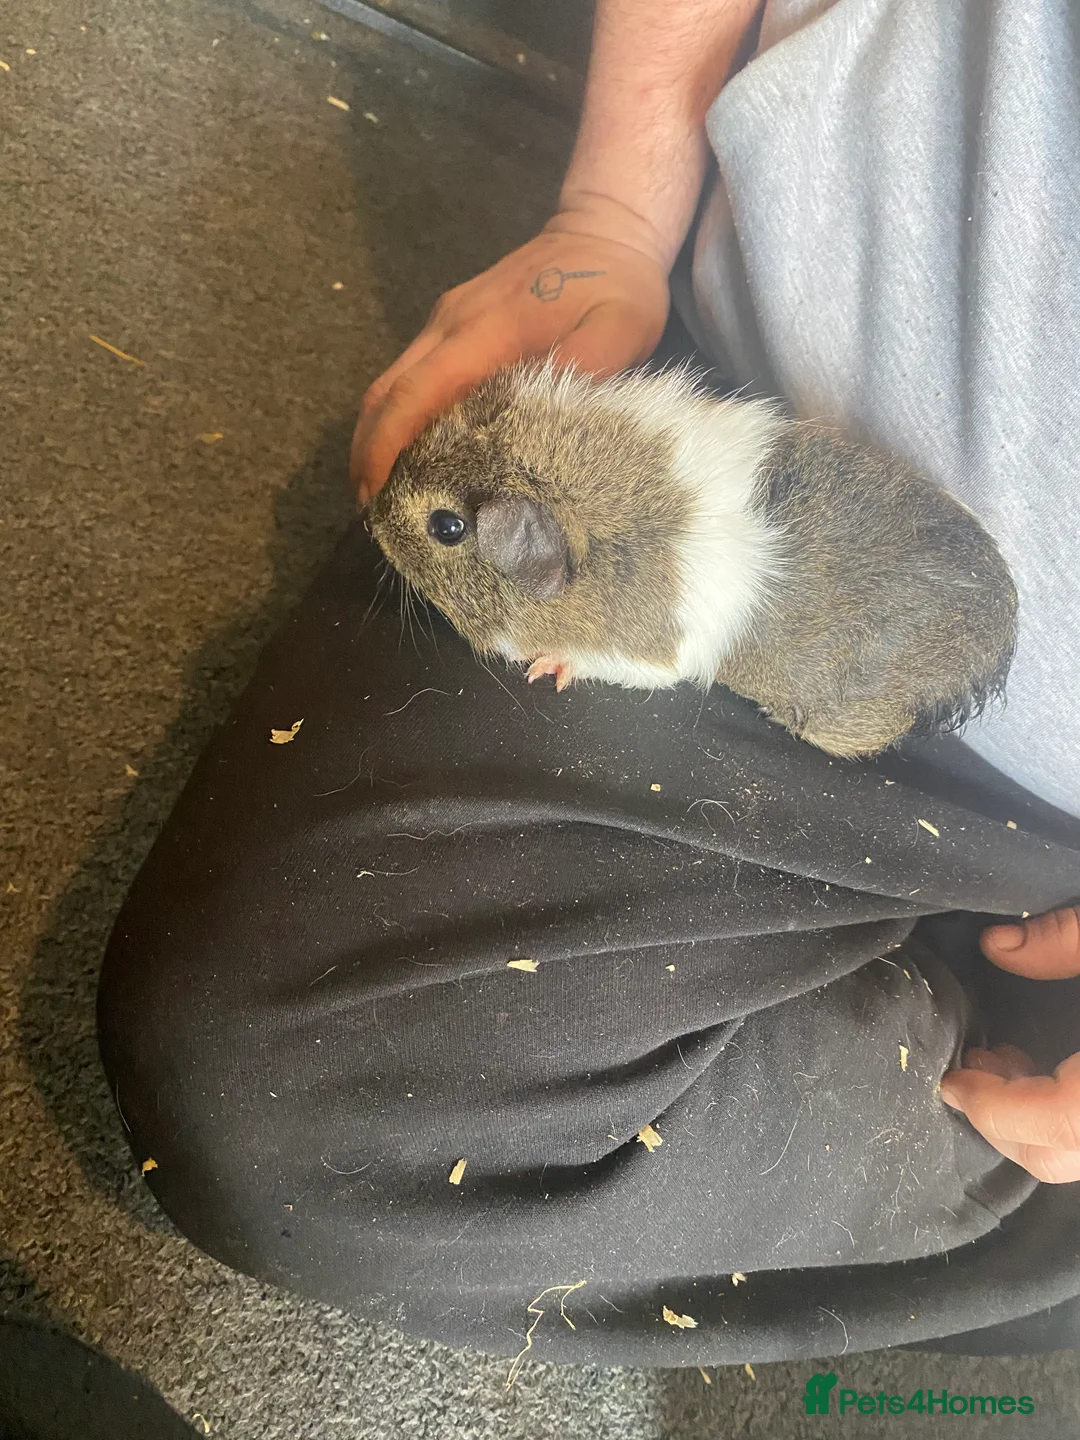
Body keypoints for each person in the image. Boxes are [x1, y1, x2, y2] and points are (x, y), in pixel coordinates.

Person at [98, 0, 1080, 1367]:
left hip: (976, 756)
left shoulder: (647, 599)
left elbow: (661, 636)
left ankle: (986, 1106)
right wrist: (616, 211)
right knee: (290, 1089)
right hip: (719, 347)